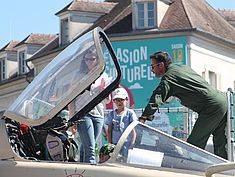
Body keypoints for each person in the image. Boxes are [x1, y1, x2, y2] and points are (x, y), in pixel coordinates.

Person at [138, 51, 228, 159]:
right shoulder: (181, 68)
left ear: (161, 65)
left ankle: (196, 173)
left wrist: (143, 118)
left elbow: (157, 97)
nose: (152, 70)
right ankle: (225, 172)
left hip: (211, 107)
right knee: (220, 144)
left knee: (193, 147)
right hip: (222, 101)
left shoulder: (169, 77)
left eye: (152, 66)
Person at [68, 47, 111, 164]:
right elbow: (71, 98)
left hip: (98, 114)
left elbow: (107, 100)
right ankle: (90, 171)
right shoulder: (78, 76)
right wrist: (72, 119)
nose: (89, 62)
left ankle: (82, 169)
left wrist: (104, 91)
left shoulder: (103, 75)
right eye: (86, 59)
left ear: (98, 60)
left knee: (86, 146)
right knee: (91, 148)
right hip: (83, 113)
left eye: (92, 59)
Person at [106, 87, 138, 157]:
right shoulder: (111, 114)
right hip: (115, 144)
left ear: (126, 99)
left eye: (121, 100)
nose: (118, 102)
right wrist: (110, 144)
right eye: (116, 100)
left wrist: (132, 143)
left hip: (127, 143)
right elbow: (109, 130)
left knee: (126, 160)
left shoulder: (130, 113)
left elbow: (133, 130)